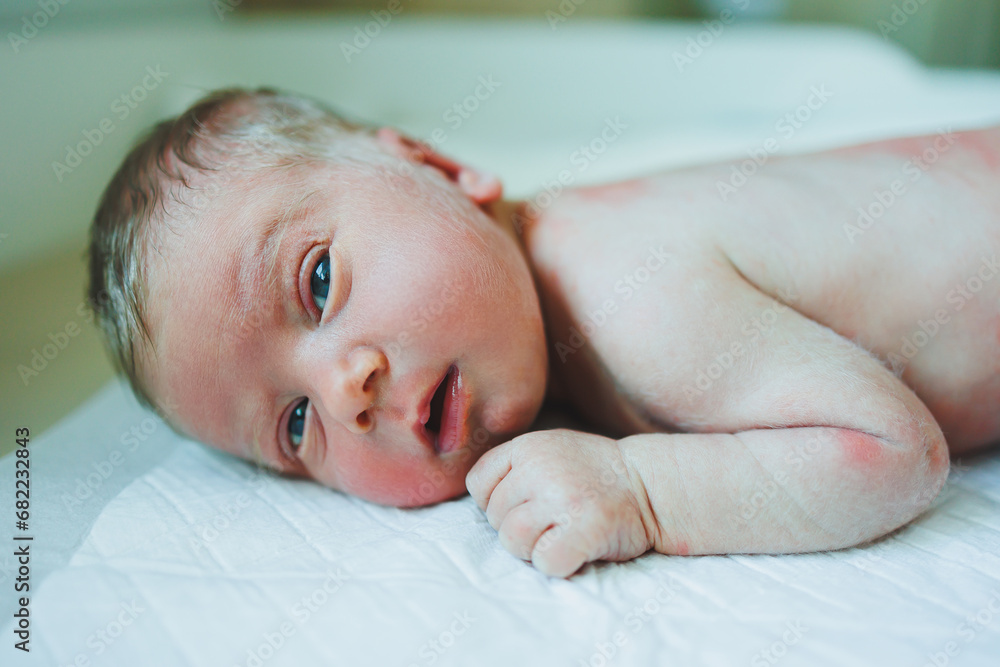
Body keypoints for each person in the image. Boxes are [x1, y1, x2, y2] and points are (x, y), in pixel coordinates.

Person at [87, 87, 999, 577]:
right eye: (293, 425)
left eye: (318, 281)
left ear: (440, 166)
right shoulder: (542, 324)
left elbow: (892, 451)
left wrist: (643, 493)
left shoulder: (627, 287)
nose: (342, 391)